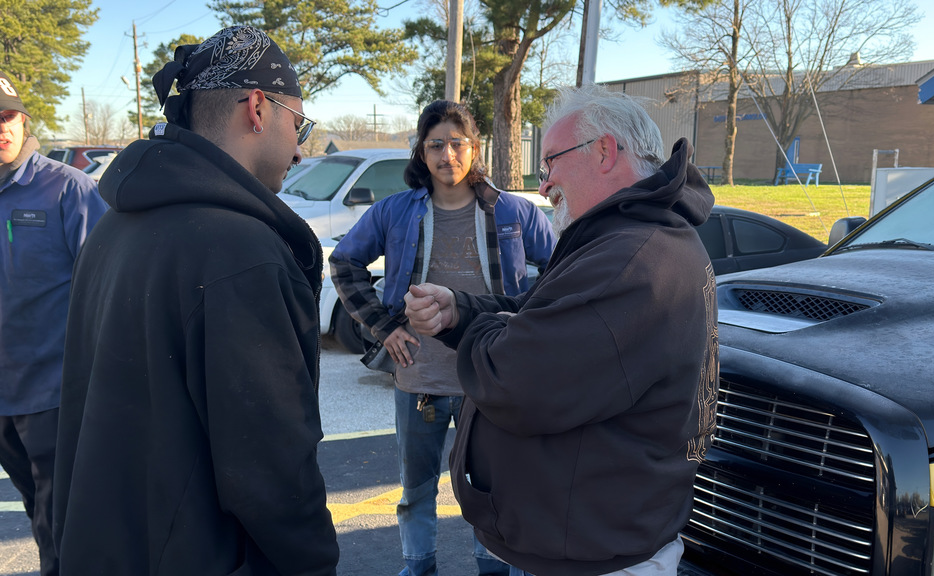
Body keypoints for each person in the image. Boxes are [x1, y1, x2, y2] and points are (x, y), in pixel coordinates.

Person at [51, 26, 339, 575]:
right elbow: (272, 466)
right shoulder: (240, 252)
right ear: (258, 108)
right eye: (298, 122)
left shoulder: (116, 226)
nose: (301, 146)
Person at [403, 84, 720, 576]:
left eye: (550, 161)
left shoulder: (632, 260)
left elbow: (514, 378)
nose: (544, 183)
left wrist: (492, 332)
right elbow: (537, 311)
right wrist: (460, 313)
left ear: (604, 151)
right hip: (589, 540)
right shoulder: (624, 240)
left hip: (597, 556)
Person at [329, 99, 556, 576]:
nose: (447, 155)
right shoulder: (395, 213)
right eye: (436, 144)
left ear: (474, 148)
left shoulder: (513, 212)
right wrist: (384, 325)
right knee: (416, 490)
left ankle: (493, 567)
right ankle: (419, 567)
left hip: (491, 381)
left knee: (491, 490)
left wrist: (524, 323)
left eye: (457, 143)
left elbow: (561, 269)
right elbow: (344, 262)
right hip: (420, 379)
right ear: (421, 151)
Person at [0, 69, 106, 576]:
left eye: (9, 116)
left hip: (55, 392)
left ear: (23, 121)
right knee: (34, 504)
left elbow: (110, 285)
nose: (3, 127)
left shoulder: (68, 190)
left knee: (58, 518)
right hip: (3, 392)